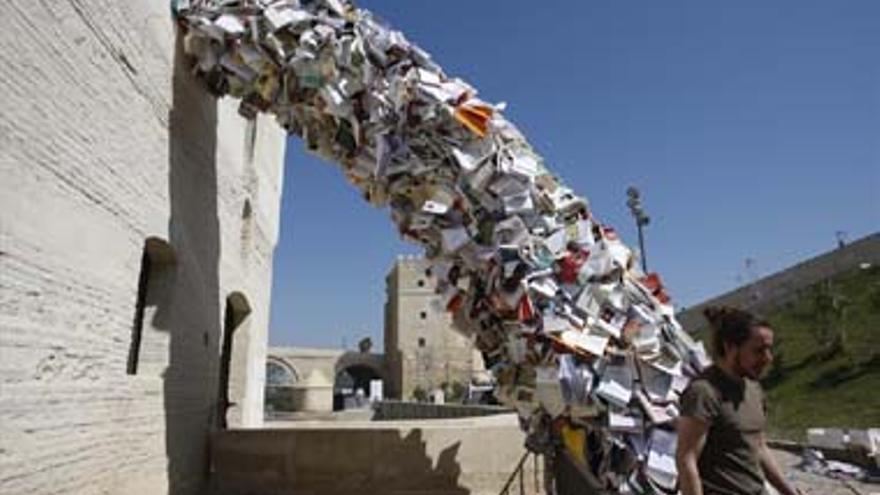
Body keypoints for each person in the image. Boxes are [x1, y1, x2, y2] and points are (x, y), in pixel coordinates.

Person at [676, 306, 802, 495]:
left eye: (769, 349)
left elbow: (758, 446)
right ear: (730, 347)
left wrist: (789, 492)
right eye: (759, 350)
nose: (768, 358)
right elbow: (687, 460)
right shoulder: (704, 393)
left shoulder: (753, 388)